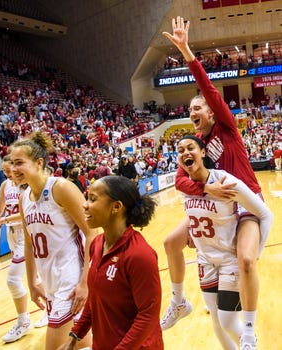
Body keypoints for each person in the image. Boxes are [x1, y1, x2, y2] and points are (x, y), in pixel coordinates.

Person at [161, 17, 267, 349]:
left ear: (210, 111)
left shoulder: (226, 127)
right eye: (189, 108)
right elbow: (180, 181)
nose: (191, 111)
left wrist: (187, 52)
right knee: (171, 242)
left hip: (246, 202)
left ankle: (249, 328)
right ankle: (179, 300)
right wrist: (205, 189)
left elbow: (208, 89)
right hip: (216, 205)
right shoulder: (196, 146)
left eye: (197, 107)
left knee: (246, 260)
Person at [176, 135, 272, 349]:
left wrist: (255, 253)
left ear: (203, 152)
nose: (185, 153)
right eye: (180, 150)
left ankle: (250, 342)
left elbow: (265, 214)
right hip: (205, 261)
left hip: (229, 260)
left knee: (228, 320)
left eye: (190, 147)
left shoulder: (226, 180)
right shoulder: (185, 186)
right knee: (217, 323)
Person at [10, 132, 96, 350]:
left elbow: (92, 233)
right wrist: (31, 282)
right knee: (82, 345)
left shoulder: (61, 188)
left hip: (71, 281)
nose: (13, 168)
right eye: (12, 163)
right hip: (51, 284)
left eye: (19, 162)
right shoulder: (23, 198)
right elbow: (29, 243)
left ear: (39, 163)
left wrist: (85, 282)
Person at [57, 176, 163, 350]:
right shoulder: (97, 244)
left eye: (93, 199)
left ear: (116, 207)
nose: (85, 205)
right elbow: (94, 300)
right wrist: (74, 338)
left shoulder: (139, 255)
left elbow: (148, 316)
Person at [0, 155, 47, 343]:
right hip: (11, 234)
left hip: (25, 233)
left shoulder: (27, 186)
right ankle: (49, 309)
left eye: (10, 171)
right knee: (35, 277)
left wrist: (4, 219)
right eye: (5, 172)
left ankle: (23, 321)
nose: (8, 174)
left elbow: (25, 214)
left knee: (13, 279)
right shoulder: (6, 185)